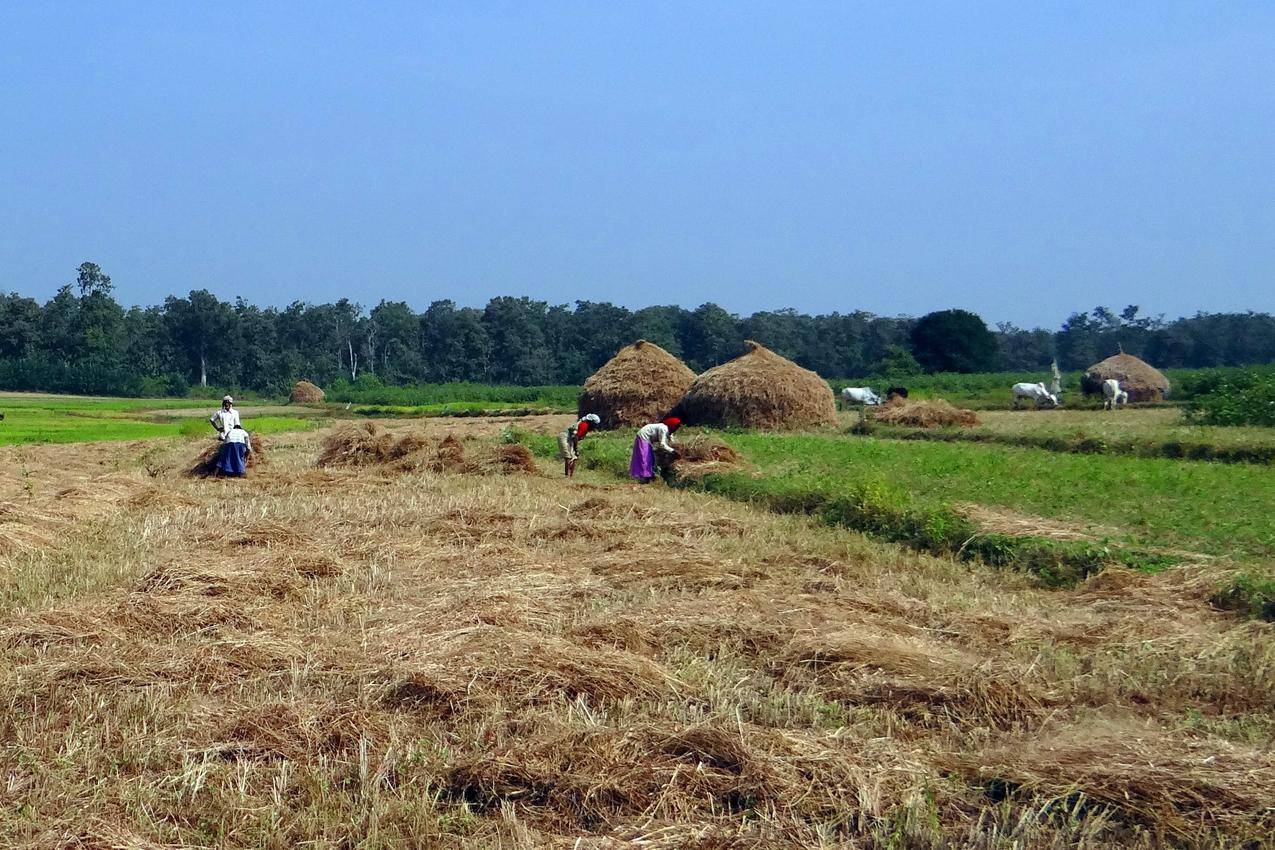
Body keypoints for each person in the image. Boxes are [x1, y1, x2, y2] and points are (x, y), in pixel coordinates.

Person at [630, 417, 681, 484]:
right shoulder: (664, 428)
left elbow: (671, 441)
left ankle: (649, 476)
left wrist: (675, 447)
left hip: (648, 439)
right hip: (644, 436)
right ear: (672, 425)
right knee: (645, 458)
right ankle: (644, 479)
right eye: (676, 427)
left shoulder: (669, 431)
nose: (675, 429)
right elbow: (662, 444)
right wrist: (673, 451)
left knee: (650, 458)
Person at [558, 413, 601, 477]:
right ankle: (567, 476)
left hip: (570, 438)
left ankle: (570, 476)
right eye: (594, 425)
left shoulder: (585, 426)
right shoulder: (584, 425)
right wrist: (576, 449)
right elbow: (576, 437)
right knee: (568, 456)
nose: (595, 427)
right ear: (591, 422)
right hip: (565, 436)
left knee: (574, 457)